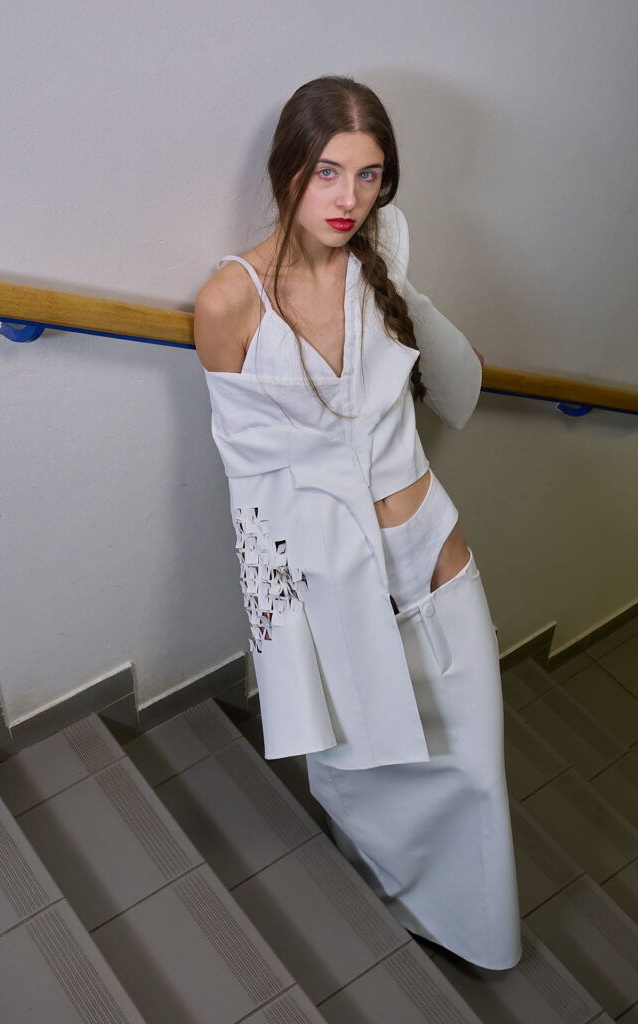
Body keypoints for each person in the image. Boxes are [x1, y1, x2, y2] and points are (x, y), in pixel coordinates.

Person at [194, 75, 521, 970]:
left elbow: (431, 349)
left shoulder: (383, 247)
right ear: (288, 169)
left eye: (369, 175)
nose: (348, 199)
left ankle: (480, 931)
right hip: (331, 574)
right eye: (328, 172)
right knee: (361, 762)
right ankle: (391, 892)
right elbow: (251, 489)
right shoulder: (228, 304)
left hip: (433, 550)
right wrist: (279, 639)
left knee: (473, 764)